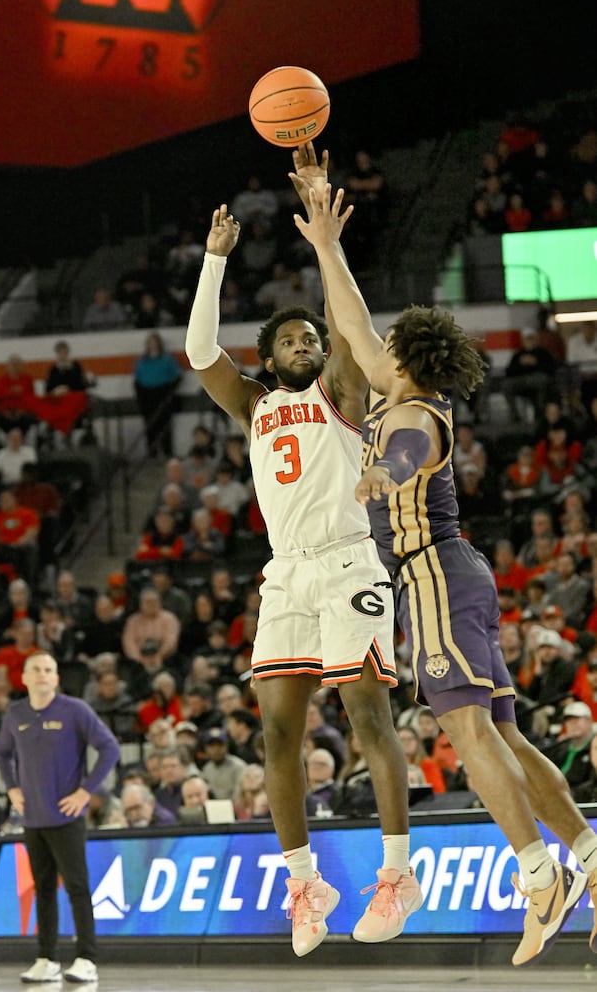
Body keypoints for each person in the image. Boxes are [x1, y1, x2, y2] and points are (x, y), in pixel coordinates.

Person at [294, 178, 597, 967]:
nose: (376, 343)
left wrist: (379, 477)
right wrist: (326, 245)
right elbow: (353, 321)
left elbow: (403, 457)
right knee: (502, 734)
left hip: (433, 577)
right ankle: (592, 861)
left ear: (405, 359)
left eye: (388, 344)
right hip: (456, 575)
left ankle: (541, 877)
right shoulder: (400, 390)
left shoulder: (415, 415)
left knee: (465, 733)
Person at [185, 144, 417, 957]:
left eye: (311, 337)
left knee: (365, 714)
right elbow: (199, 354)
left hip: (349, 559)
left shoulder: (339, 391)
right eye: (290, 338)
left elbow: (346, 316)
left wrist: (325, 232)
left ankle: (397, 873)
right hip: (284, 577)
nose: (305, 342)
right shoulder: (251, 404)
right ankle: (303, 882)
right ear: (270, 352)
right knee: (275, 735)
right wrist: (214, 265)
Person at [0, 651, 120, 984]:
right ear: (23, 677)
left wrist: (85, 791)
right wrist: (11, 788)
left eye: (49, 669)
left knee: (78, 888)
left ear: (56, 677)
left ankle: (86, 958)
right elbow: (3, 754)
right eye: (35, 669)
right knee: (44, 890)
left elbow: (110, 748)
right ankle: (47, 958)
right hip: (33, 819)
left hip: (66, 817)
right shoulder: (16, 713)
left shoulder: (74, 710)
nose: (42, 675)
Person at [133, 331, 182, 458]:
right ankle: (152, 453)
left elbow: (177, 376)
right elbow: (137, 379)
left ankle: (167, 453)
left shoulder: (167, 359)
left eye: (154, 343)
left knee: (164, 426)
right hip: (146, 395)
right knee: (150, 427)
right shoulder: (142, 361)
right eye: (150, 343)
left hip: (162, 393)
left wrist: (169, 392)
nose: (152, 345)